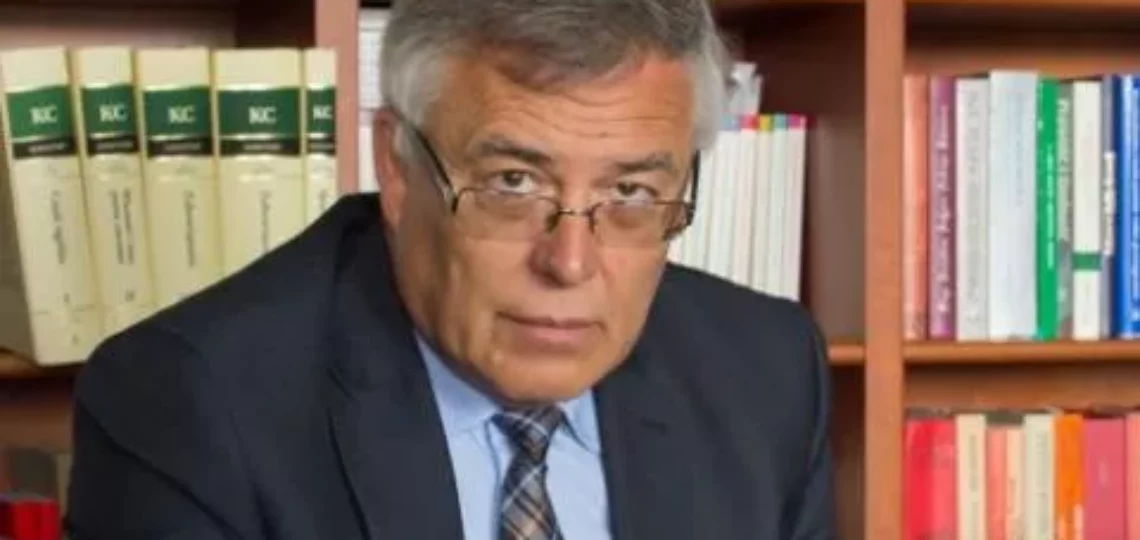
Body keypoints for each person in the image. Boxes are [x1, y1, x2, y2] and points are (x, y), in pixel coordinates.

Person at [64, 0, 837, 538]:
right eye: (513, 183)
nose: (570, 263)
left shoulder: (766, 374)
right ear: (397, 167)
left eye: (630, 193)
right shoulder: (192, 400)